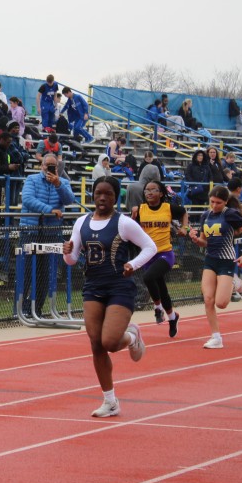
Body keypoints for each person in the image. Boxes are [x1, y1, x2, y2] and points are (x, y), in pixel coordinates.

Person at [62, 176, 157, 417]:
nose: (102, 198)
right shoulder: (81, 223)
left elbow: (150, 247)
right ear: (92, 195)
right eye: (98, 193)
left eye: (108, 194)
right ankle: (110, 401)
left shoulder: (123, 223)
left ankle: (132, 336)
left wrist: (133, 264)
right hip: (93, 287)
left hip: (119, 286)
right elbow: (72, 260)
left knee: (111, 342)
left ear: (116, 198)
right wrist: (67, 252)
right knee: (96, 344)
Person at [188, 185, 242, 349]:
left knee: (221, 303)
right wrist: (196, 240)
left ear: (225, 202)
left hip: (226, 260)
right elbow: (204, 241)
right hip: (210, 260)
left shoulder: (230, 214)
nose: (214, 205)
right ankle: (216, 337)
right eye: (212, 201)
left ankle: (234, 282)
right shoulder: (205, 215)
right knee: (208, 299)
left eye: (218, 202)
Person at [21, 154, 76, 317]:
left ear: (57, 168)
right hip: (30, 231)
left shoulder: (63, 182)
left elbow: (69, 200)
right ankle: (21, 310)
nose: (49, 169)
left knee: (46, 274)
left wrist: (58, 184)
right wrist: (49, 210)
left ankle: (36, 309)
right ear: (41, 166)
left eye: (53, 166)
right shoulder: (31, 179)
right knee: (26, 272)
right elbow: (27, 199)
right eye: (47, 165)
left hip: (51, 233)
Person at [133, 178, 188, 337]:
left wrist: (184, 228)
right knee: (161, 288)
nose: (149, 192)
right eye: (147, 190)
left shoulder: (168, 208)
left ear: (161, 193)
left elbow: (184, 212)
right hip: (147, 254)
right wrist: (133, 217)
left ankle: (157, 308)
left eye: (153, 190)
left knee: (148, 277)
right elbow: (132, 228)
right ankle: (172, 317)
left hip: (165, 253)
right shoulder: (140, 209)